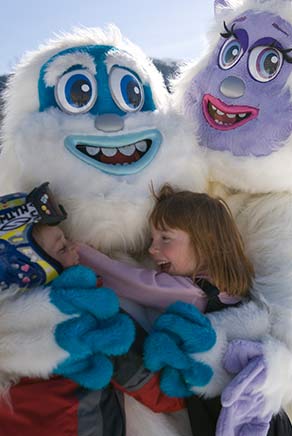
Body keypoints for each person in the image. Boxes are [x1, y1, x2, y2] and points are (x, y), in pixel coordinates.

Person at [0, 184, 185, 436]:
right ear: (28, 267)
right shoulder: (82, 314)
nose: (74, 248)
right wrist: (182, 397)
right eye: (62, 248)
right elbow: (145, 379)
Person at [78, 183, 254, 436]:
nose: (152, 249)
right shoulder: (236, 288)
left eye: (165, 238)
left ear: (205, 243)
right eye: (152, 238)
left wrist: (77, 252)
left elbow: (131, 281)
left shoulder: (195, 293)